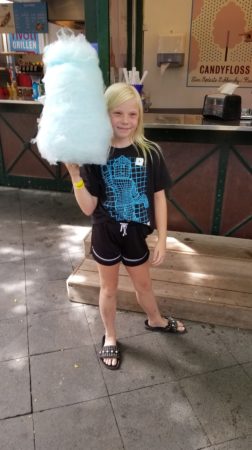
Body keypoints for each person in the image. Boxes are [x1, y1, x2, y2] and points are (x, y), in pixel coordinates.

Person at [66, 82, 186, 370]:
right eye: (117, 113)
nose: (125, 121)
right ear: (105, 114)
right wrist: (74, 175)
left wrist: (162, 238)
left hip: (136, 233)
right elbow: (88, 207)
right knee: (108, 289)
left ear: (139, 117)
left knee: (143, 285)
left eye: (132, 115)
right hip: (105, 232)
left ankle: (155, 320)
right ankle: (110, 336)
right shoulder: (94, 154)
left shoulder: (150, 151)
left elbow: (159, 197)